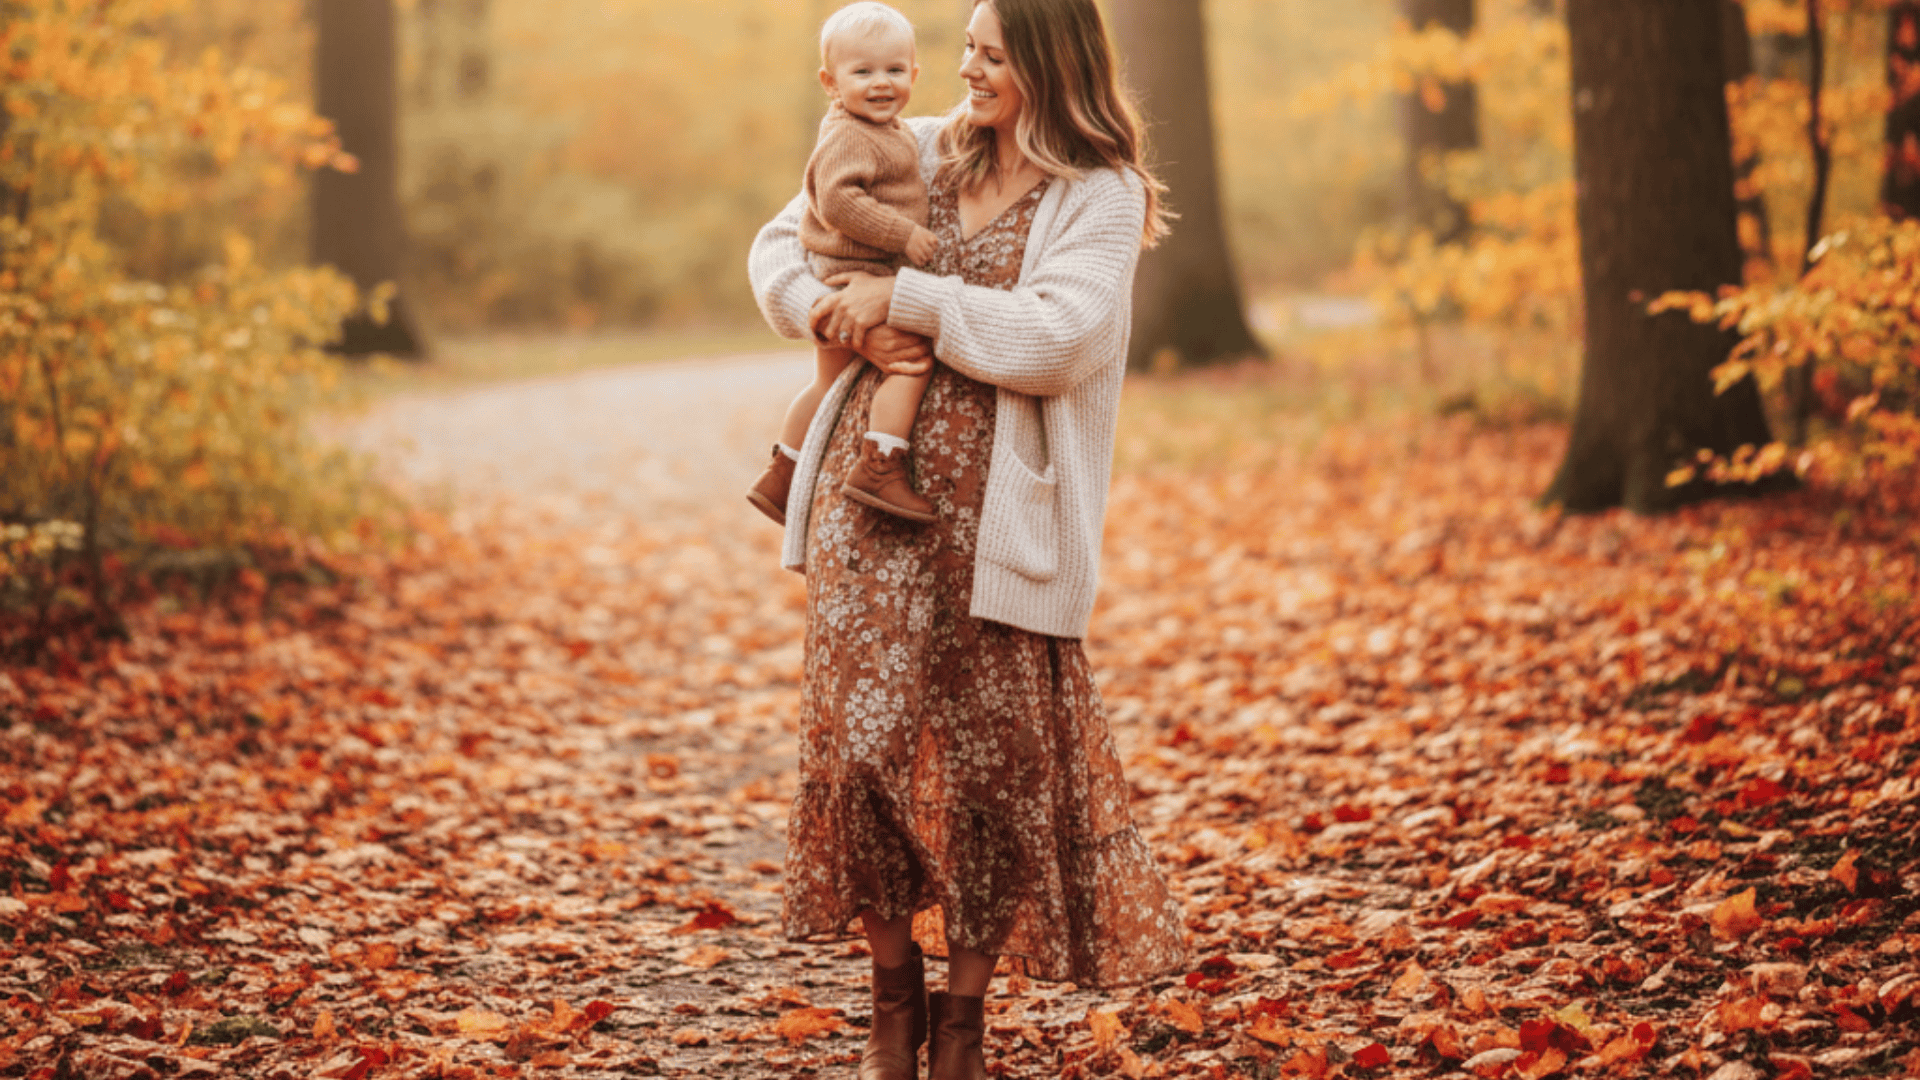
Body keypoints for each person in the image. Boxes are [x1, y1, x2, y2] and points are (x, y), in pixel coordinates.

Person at [747, 1, 1189, 1076]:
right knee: (864, 756)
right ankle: (891, 1005)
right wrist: (824, 309)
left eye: (991, 55)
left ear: (1050, 63)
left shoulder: (1101, 195)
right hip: (874, 503)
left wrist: (910, 295)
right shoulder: (924, 145)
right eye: (965, 51)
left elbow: (1057, 340)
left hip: (1006, 526)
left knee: (996, 770)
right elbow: (778, 240)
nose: (966, 71)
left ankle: (962, 1024)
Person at [747, 2, 944, 528]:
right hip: (854, 273)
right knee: (910, 363)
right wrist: (904, 234)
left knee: (827, 384)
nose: (881, 84)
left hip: (843, 272)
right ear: (830, 82)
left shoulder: (889, 128)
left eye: (895, 70)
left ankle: (783, 474)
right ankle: (880, 463)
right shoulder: (848, 135)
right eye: (863, 72)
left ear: (915, 74)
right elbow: (838, 203)